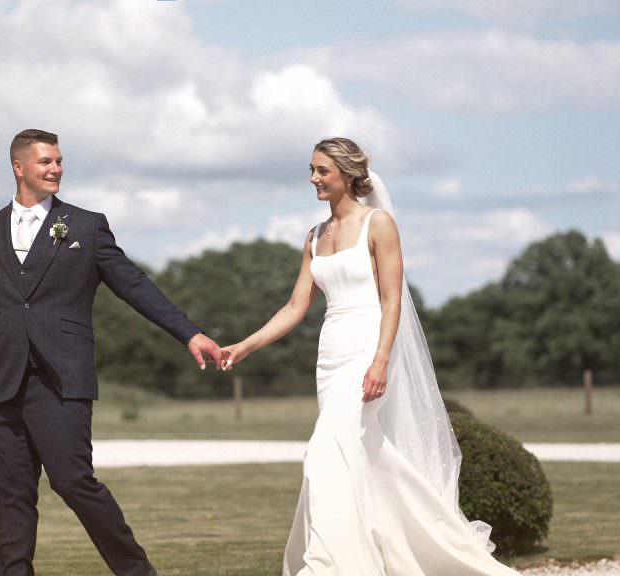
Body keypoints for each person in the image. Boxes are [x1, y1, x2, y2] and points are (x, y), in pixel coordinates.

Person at [220, 137, 521, 575]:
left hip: (368, 348)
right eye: (311, 169)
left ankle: (326, 565)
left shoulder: (378, 225)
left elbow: (392, 299)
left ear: (347, 174)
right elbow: (294, 307)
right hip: (330, 356)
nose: (313, 179)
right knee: (366, 457)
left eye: (322, 170)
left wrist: (380, 361)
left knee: (325, 450)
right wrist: (244, 346)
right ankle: (422, 547)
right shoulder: (314, 237)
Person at [0, 128, 222, 576]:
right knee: (11, 500)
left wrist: (188, 332)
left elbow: (133, 284)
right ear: (18, 167)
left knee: (73, 482)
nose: (56, 169)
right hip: (4, 384)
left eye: (59, 161)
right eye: (46, 162)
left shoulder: (86, 226)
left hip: (62, 380)